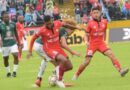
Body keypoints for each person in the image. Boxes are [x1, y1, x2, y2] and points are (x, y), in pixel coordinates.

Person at [72, 6, 129, 80]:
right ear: (92, 14)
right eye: (94, 13)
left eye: (97, 13)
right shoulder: (89, 24)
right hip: (92, 44)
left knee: (111, 54)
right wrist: (86, 41)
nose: (96, 14)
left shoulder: (104, 22)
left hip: (101, 43)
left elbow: (104, 31)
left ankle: (120, 71)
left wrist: (105, 41)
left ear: (100, 13)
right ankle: (76, 75)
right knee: (87, 62)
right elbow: (86, 35)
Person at [27, 15, 81, 88]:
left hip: (53, 47)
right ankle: (58, 80)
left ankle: (43, 79)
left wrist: (76, 27)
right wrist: (30, 51)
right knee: (58, 62)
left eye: (50, 23)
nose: (49, 25)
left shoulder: (58, 24)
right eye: (47, 24)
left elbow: (65, 25)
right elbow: (33, 38)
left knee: (67, 65)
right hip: (42, 46)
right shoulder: (43, 30)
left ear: (52, 20)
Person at [0, 11, 21, 77]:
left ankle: (14, 72)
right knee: (5, 59)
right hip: (5, 45)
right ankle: (8, 72)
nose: (7, 18)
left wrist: (19, 42)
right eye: (5, 17)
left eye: (8, 17)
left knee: (15, 55)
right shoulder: (0, 25)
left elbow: (16, 33)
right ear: (2, 18)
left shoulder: (13, 24)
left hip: (13, 43)